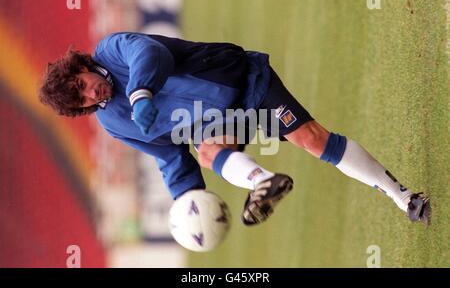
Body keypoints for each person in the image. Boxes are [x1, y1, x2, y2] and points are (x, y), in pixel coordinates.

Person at [38, 32, 431, 226]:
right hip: (221, 122)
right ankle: (265, 183)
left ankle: (403, 197)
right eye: (83, 100)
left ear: (82, 67)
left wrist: (141, 91)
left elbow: (149, 53)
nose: (92, 93)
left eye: (83, 85)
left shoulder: (113, 48)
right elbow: (170, 154)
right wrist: (188, 202)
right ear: (82, 110)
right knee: (206, 153)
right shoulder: (113, 121)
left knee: (310, 139)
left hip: (245, 81)